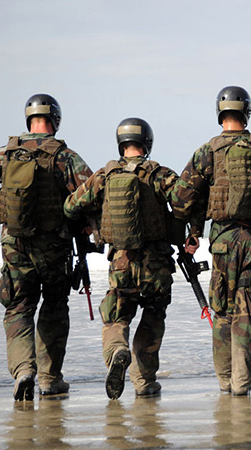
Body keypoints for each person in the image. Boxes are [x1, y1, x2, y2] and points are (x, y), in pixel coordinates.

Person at [171, 86, 251, 396]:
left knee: (221, 309)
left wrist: (194, 230)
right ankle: (242, 383)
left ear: (220, 114)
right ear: (246, 113)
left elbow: (181, 200)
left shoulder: (206, 152)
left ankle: (225, 382)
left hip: (222, 241)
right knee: (246, 306)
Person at [0, 94, 93, 401]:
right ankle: (50, 378)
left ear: (28, 119)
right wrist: (81, 223)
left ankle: (23, 371)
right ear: (54, 120)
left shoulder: (5, 153)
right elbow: (91, 192)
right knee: (54, 307)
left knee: (18, 307)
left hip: (14, 242)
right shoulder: (65, 156)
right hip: (53, 245)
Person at [65, 118, 179, 399]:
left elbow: (70, 206)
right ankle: (144, 381)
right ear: (147, 143)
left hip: (121, 262)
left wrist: (92, 220)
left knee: (117, 316)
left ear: (121, 143)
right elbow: (185, 200)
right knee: (153, 316)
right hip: (156, 264)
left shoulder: (104, 175)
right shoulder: (159, 174)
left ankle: (117, 349)